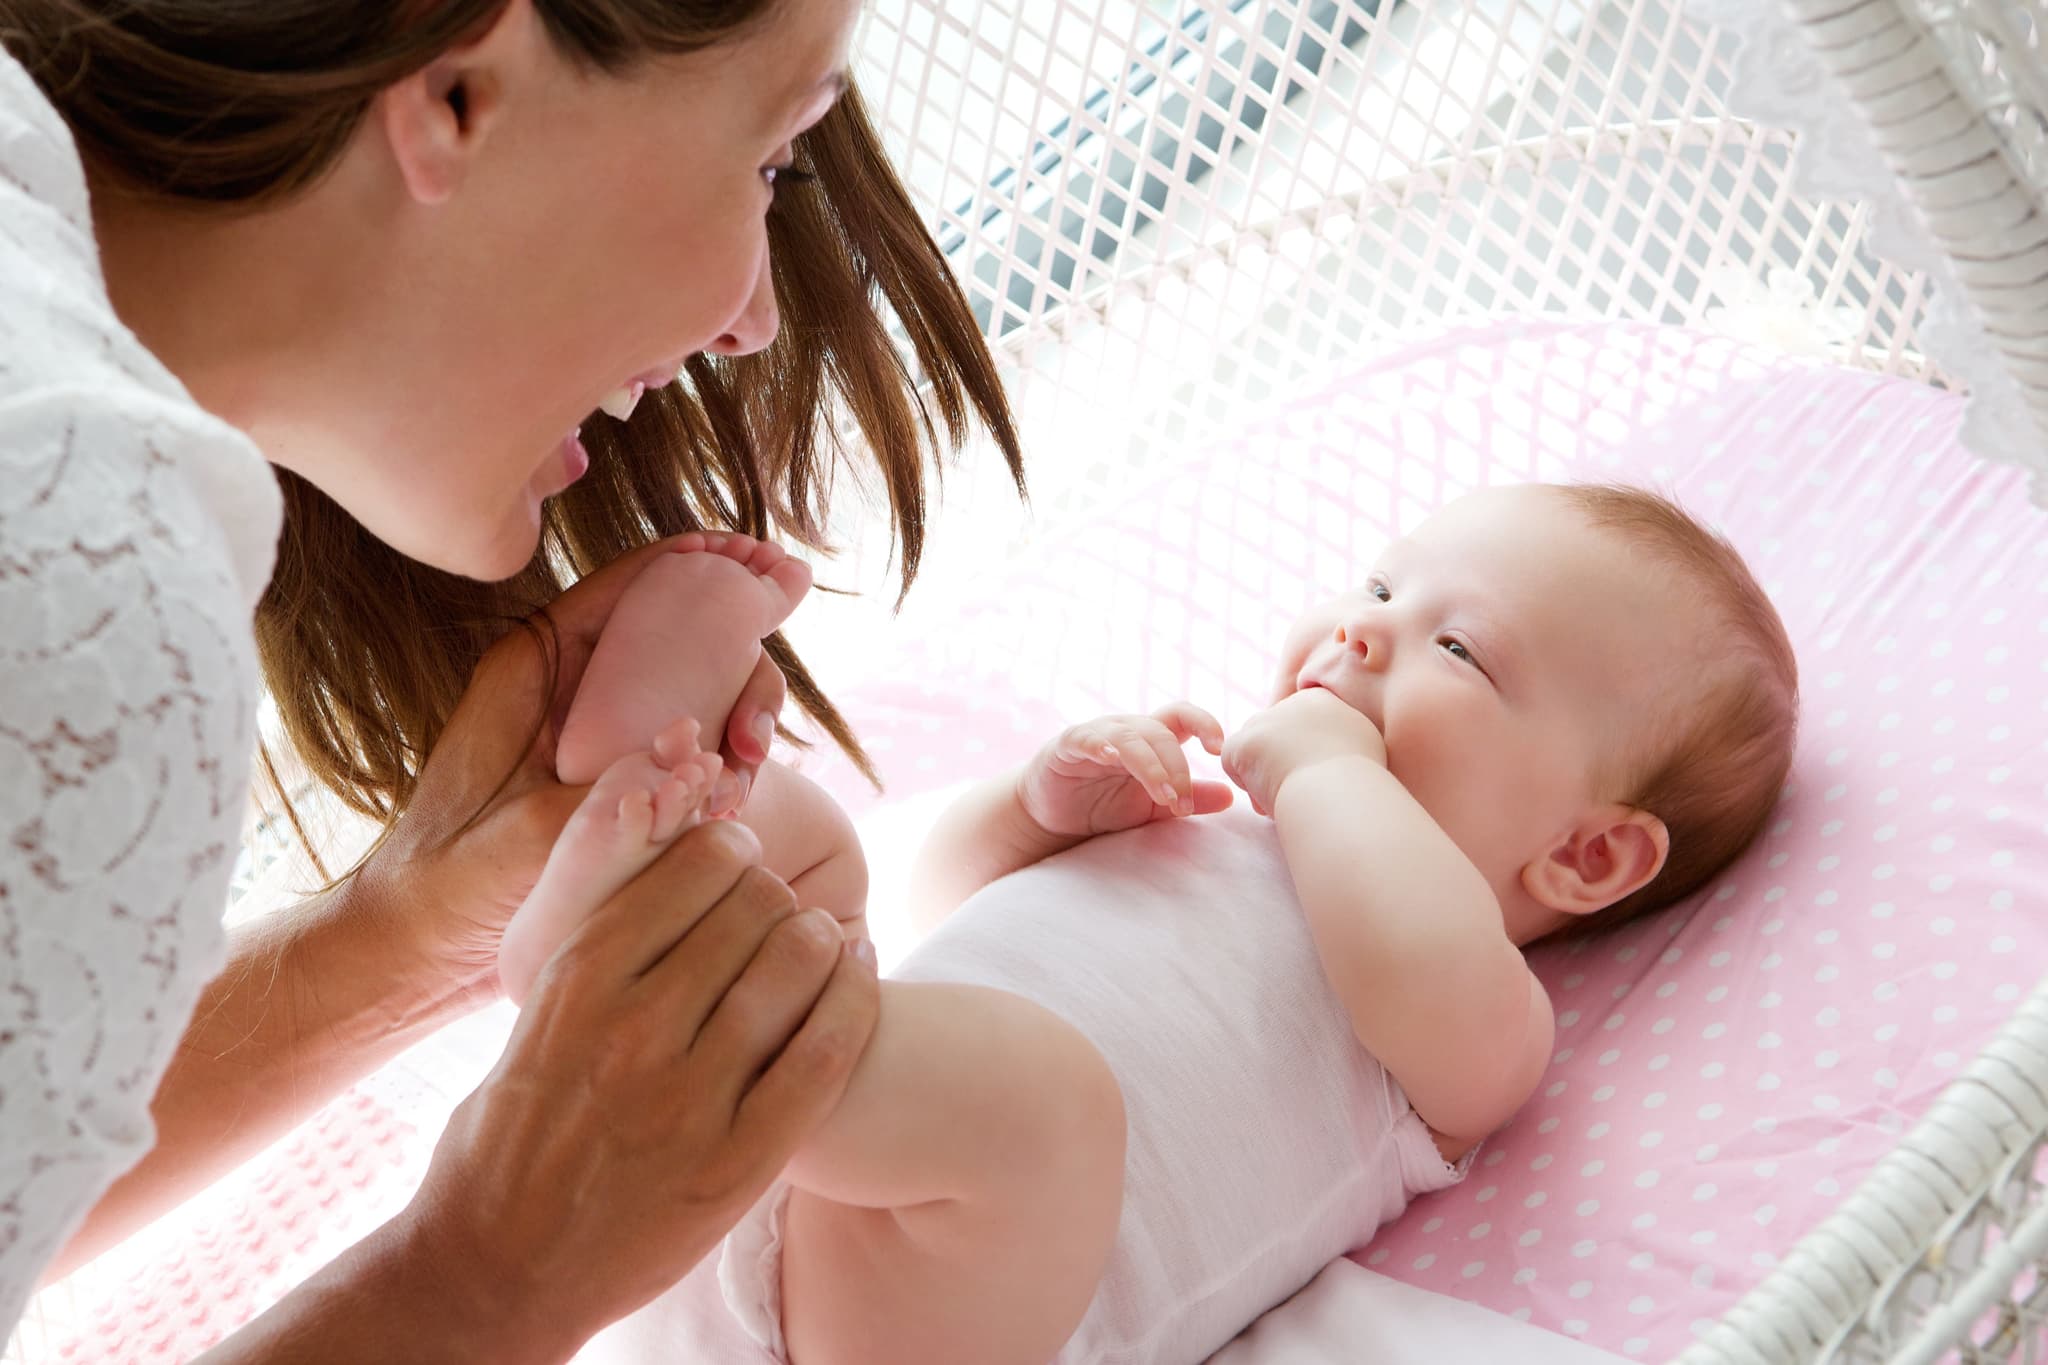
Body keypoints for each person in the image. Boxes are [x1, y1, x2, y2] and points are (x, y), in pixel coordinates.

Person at [0, 0, 1020, 1357]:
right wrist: (486, 1271)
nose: (756, 322)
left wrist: (401, 935)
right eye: (771, 159)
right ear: (459, 95)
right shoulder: (83, 567)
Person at [498, 481, 1799, 1364]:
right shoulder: (1219, 819)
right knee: (823, 861)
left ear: (1585, 854)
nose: (1363, 628)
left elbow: (1407, 953)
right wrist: (1035, 809)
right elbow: (952, 904)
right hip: (791, 1178)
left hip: (925, 1313)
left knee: (1043, 1106)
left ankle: (666, 985)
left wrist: (1321, 766)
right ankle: (645, 829)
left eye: (1456, 649)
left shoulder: (1478, 1025)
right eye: (1381, 586)